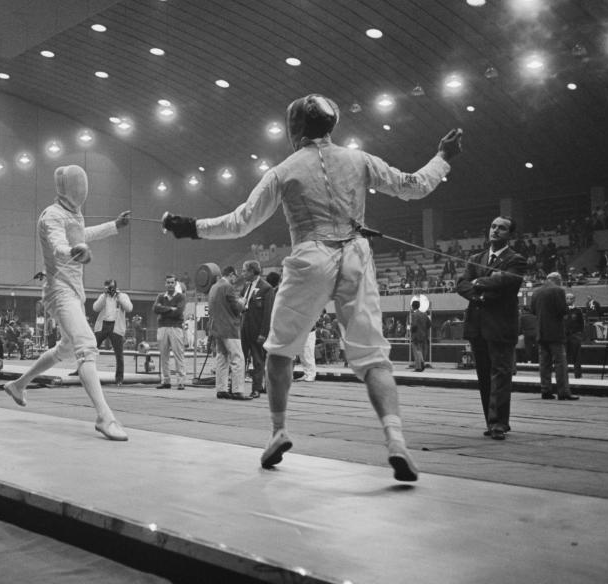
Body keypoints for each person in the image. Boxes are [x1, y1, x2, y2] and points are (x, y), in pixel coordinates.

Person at [163, 93, 463, 480]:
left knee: (280, 352)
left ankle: (279, 431)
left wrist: (190, 228)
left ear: (296, 129)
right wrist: (443, 157)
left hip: (310, 255)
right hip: (356, 255)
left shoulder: (284, 169)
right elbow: (412, 185)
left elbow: (241, 222)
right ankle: (395, 441)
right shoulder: (359, 159)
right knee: (373, 358)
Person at [2, 164, 131, 441]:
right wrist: (74, 251)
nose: (82, 191)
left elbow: (82, 235)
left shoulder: (73, 214)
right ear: (68, 188)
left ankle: (18, 385)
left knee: (66, 347)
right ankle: (104, 417)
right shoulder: (51, 216)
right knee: (87, 345)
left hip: (74, 290)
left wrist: (114, 226)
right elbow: (59, 244)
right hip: (58, 291)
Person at [457, 216, 529, 440]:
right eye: (493, 226)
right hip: (477, 327)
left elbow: (506, 284)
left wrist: (477, 284)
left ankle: (499, 423)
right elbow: (461, 285)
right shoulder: (475, 258)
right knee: (484, 376)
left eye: (502, 228)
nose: (496, 231)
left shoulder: (516, 260)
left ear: (510, 235)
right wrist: (483, 291)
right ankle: (492, 421)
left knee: (501, 374)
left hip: (500, 326)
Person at [531, 273, 578, 400]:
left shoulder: (536, 291)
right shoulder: (558, 290)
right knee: (560, 363)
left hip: (541, 332)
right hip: (555, 333)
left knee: (544, 363)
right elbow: (562, 310)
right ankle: (563, 392)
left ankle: (545, 390)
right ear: (558, 280)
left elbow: (533, 310)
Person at [207, 266, 247, 400]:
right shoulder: (228, 287)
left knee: (222, 358)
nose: (235, 279)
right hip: (230, 328)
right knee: (237, 359)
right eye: (235, 276)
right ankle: (237, 390)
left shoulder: (213, 287)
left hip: (217, 328)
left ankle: (221, 389)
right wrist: (242, 302)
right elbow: (236, 308)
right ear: (231, 274)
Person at [239, 260, 274, 398]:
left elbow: (268, 314)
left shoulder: (266, 288)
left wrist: (263, 333)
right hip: (244, 329)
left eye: (244, 271)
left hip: (257, 330)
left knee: (258, 361)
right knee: (241, 359)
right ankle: (238, 387)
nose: (242, 273)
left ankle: (256, 388)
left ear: (252, 271)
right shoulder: (246, 287)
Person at [92, 279, 133, 385]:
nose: (109, 289)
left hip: (116, 326)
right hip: (103, 325)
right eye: (107, 287)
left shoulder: (122, 296)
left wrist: (119, 297)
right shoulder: (103, 296)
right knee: (90, 349)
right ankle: (81, 371)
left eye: (111, 287)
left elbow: (129, 308)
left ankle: (119, 378)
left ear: (115, 287)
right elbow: (95, 308)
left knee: (119, 354)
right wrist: (104, 296)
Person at [153, 273, 187, 390]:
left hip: (175, 328)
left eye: (172, 282)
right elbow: (155, 309)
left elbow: (178, 312)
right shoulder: (160, 296)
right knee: (164, 355)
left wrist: (163, 310)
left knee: (179, 354)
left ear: (175, 283)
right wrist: (170, 309)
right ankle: (166, 380)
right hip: (162, 328)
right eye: (168, 282)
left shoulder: (181, 297)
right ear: (165, 284)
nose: (170, 284)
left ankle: (181, 381)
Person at [564, 292, 585, 380]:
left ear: (574, 299)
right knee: (563, 357)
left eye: (571, 298)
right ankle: (564, 375)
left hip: (575, 336)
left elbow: (581, 324)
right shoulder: (562, 310)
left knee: (577, 356)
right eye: (567, 298)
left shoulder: (578, 310)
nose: (569, 300)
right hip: (564, 336)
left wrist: (579, 334)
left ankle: (578, 375)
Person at [409, 300, 430, 372]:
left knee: (417, 351)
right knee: (420, 350)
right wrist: (424, 329)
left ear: (413, 306)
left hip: (416, 336)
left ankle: (419, 367)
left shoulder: (414, 315)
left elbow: (414, 325)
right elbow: (429, 324)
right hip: (424, 335)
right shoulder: (424, 314)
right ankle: (422, 363)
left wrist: (411, 330)